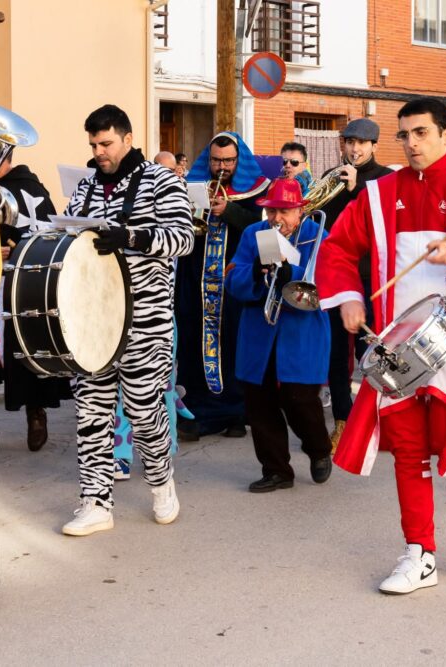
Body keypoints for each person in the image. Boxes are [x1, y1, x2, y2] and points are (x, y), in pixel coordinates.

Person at [316, 97, 446, 595]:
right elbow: (338, 248)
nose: (411, 144)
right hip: (397, 342)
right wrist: (347, 298)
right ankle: (419, 552)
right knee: (408, 450)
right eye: (404, 135)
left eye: (422, 133)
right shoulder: (378, 193)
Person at [60, 104, 194, 536]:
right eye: (93, 145)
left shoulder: (161, 182)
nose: (99, 151)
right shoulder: (84, 186)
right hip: (93, 317)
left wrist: (132, 236)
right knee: (91, 412)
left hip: (145, 318)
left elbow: (183, 238)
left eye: (106, 143)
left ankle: (161, 483)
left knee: (142, 409)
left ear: (128, 138)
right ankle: (95, 502)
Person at [0, 150, 71, 457]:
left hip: (21, 285)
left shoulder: (31, 189)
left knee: (27, 352)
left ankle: (36, 418)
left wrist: (17, 248)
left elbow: (48, 235)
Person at [225, 178, 332, 491]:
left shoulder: (317, 235)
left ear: (300, 209)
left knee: (301, 401)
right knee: (260, 405)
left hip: (301, 332)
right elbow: (232, 280)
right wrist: (256, 272)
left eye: (284, 211)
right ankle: (277, 470)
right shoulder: (253, 234)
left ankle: (318, 447)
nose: (276, 219)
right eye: (272, 211)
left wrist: (291, 275)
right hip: (259, 331)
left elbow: (326, 284)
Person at [176, 132, 269, 440]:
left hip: (233, 288)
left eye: (228, 161)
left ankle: (236, 413)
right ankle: (197, 412)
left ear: (238, 160)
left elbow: (264, 230)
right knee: (194, 346)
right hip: (197, 286)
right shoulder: (193, 185)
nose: (221, 167)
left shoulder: (257, 191)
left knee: (232, 347)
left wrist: (228, 211)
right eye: (216, 160)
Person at [317, 118, 393, 451]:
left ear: (375, 146)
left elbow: (386, 222)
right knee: (336, 354)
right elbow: (325, 225)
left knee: (372, 351)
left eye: (362, 143)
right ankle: (343, 421)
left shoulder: (387, 180)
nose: (355, 149)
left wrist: (357, 190)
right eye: (349, 142)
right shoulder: (332, 177)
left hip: (375, 279)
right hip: (339, 278)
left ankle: (376, 420)